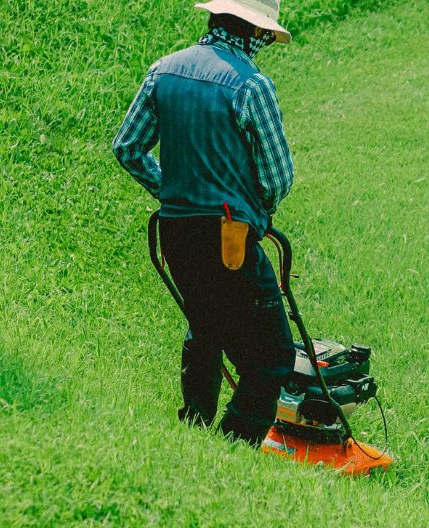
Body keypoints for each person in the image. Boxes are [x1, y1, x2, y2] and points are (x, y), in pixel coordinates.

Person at [112, 0, 296, 447]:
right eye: (266, 35)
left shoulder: (164, 71)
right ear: (254, 31)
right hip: (229, 237)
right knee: (274, 356)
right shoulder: (252, 86)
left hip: (174, 231)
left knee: (206, 325)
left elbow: (128, 147)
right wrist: (255, 210)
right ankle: (234, 441)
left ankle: (194, 426)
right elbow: (277, 178)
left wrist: (169, 189)